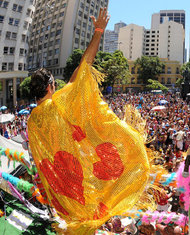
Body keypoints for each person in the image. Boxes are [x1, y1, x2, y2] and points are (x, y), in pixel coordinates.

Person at [27, 8, 161, 234]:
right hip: (85, 184)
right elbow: (83, 68)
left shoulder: (32, 120)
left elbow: (76, 78)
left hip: (64, 194)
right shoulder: (57, 104)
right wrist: (98, 31)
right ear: (51, 86)